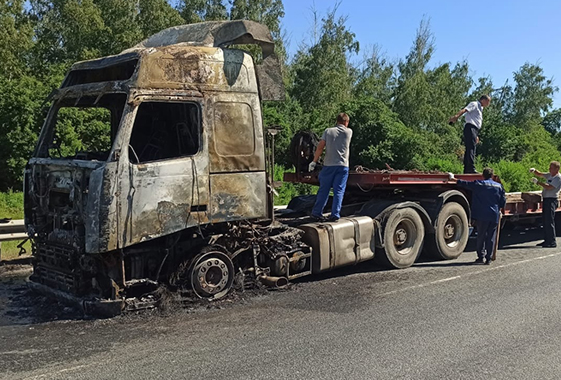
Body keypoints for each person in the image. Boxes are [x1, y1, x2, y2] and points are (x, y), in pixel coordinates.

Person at [448, 168, 506, 264]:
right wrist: (500, 210)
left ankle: (480, 257)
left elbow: (465, 184)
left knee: (481, 236)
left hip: (482, 215)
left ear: (483, 175)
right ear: (492, 175)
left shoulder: (479, 184)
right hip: (493, 215)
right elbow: (503, 201)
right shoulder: (499, 186)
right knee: (491, 237)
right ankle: (488, 258)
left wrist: (453, 178)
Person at [308, 113, 353, 222]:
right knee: (339, 191)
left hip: (328, 165)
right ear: (346, 122)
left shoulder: (328, 131)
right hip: (342, 166)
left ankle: (316, 213)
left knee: (324, 190)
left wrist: (314, 161)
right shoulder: (349, 132)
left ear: (337, 121)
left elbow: (320, 147)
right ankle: (335, 214)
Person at [448, 95, 491, 174]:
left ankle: (467, 169)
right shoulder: (474, 104)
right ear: (483, 100)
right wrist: (456, 116)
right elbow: (465, 110)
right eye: (488, 101)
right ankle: (470, 168)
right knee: (471, 148)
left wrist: (476, 134)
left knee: (470, 148)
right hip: (470, 127)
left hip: (474, 129)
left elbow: (475, 120)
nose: (489, 103)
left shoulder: (481, 108)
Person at [530, 161, 561, 248]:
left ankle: (552, 242)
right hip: (546, 200)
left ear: (557, 169)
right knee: (545, 221)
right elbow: (540, 174)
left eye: (551, 168)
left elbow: (549, 187)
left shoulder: (558, 178)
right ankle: (547, 240)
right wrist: (534, 170)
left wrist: (538, 183)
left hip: (552, 200)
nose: (549, 169)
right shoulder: (550, 175)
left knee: (549, 221)